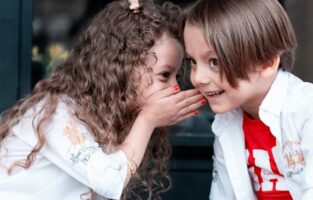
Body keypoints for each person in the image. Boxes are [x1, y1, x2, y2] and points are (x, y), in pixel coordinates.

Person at [0, 0, 205, 199]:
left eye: (176, 77)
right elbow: (109, 180)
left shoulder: (108, 118)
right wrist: (148, 120)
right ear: (124, 70)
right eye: (164, 75)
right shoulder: (57, 114)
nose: (175, 88)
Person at [183, 0, 313, 199]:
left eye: (214, 62)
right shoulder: (227, 122)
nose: (198, 78)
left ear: (267, 62)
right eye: (192, 61)